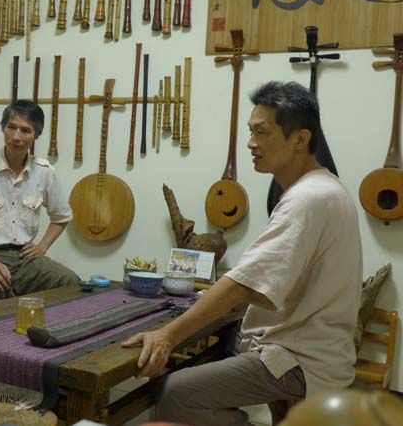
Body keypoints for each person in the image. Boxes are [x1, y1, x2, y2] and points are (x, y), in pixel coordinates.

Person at [121, 81, 362, 426]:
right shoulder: (322, 188)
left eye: (261, 132)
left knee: (177, 392)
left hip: (300, 358)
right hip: (304, 349)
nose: (251, 142)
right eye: (251, 131)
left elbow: (241, 285)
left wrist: (167, 336)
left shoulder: (308, 198)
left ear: (300, 139)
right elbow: (267, 282)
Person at [0, 100, 79, 305]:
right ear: (3, 128)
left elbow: (62, 216)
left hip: (24, 258)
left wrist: (42, 247)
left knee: (70, 282)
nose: (16, 136)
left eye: (26, 130)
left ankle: (45, 327)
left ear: (36, 135)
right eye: (11, 127)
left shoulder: (44, 172)